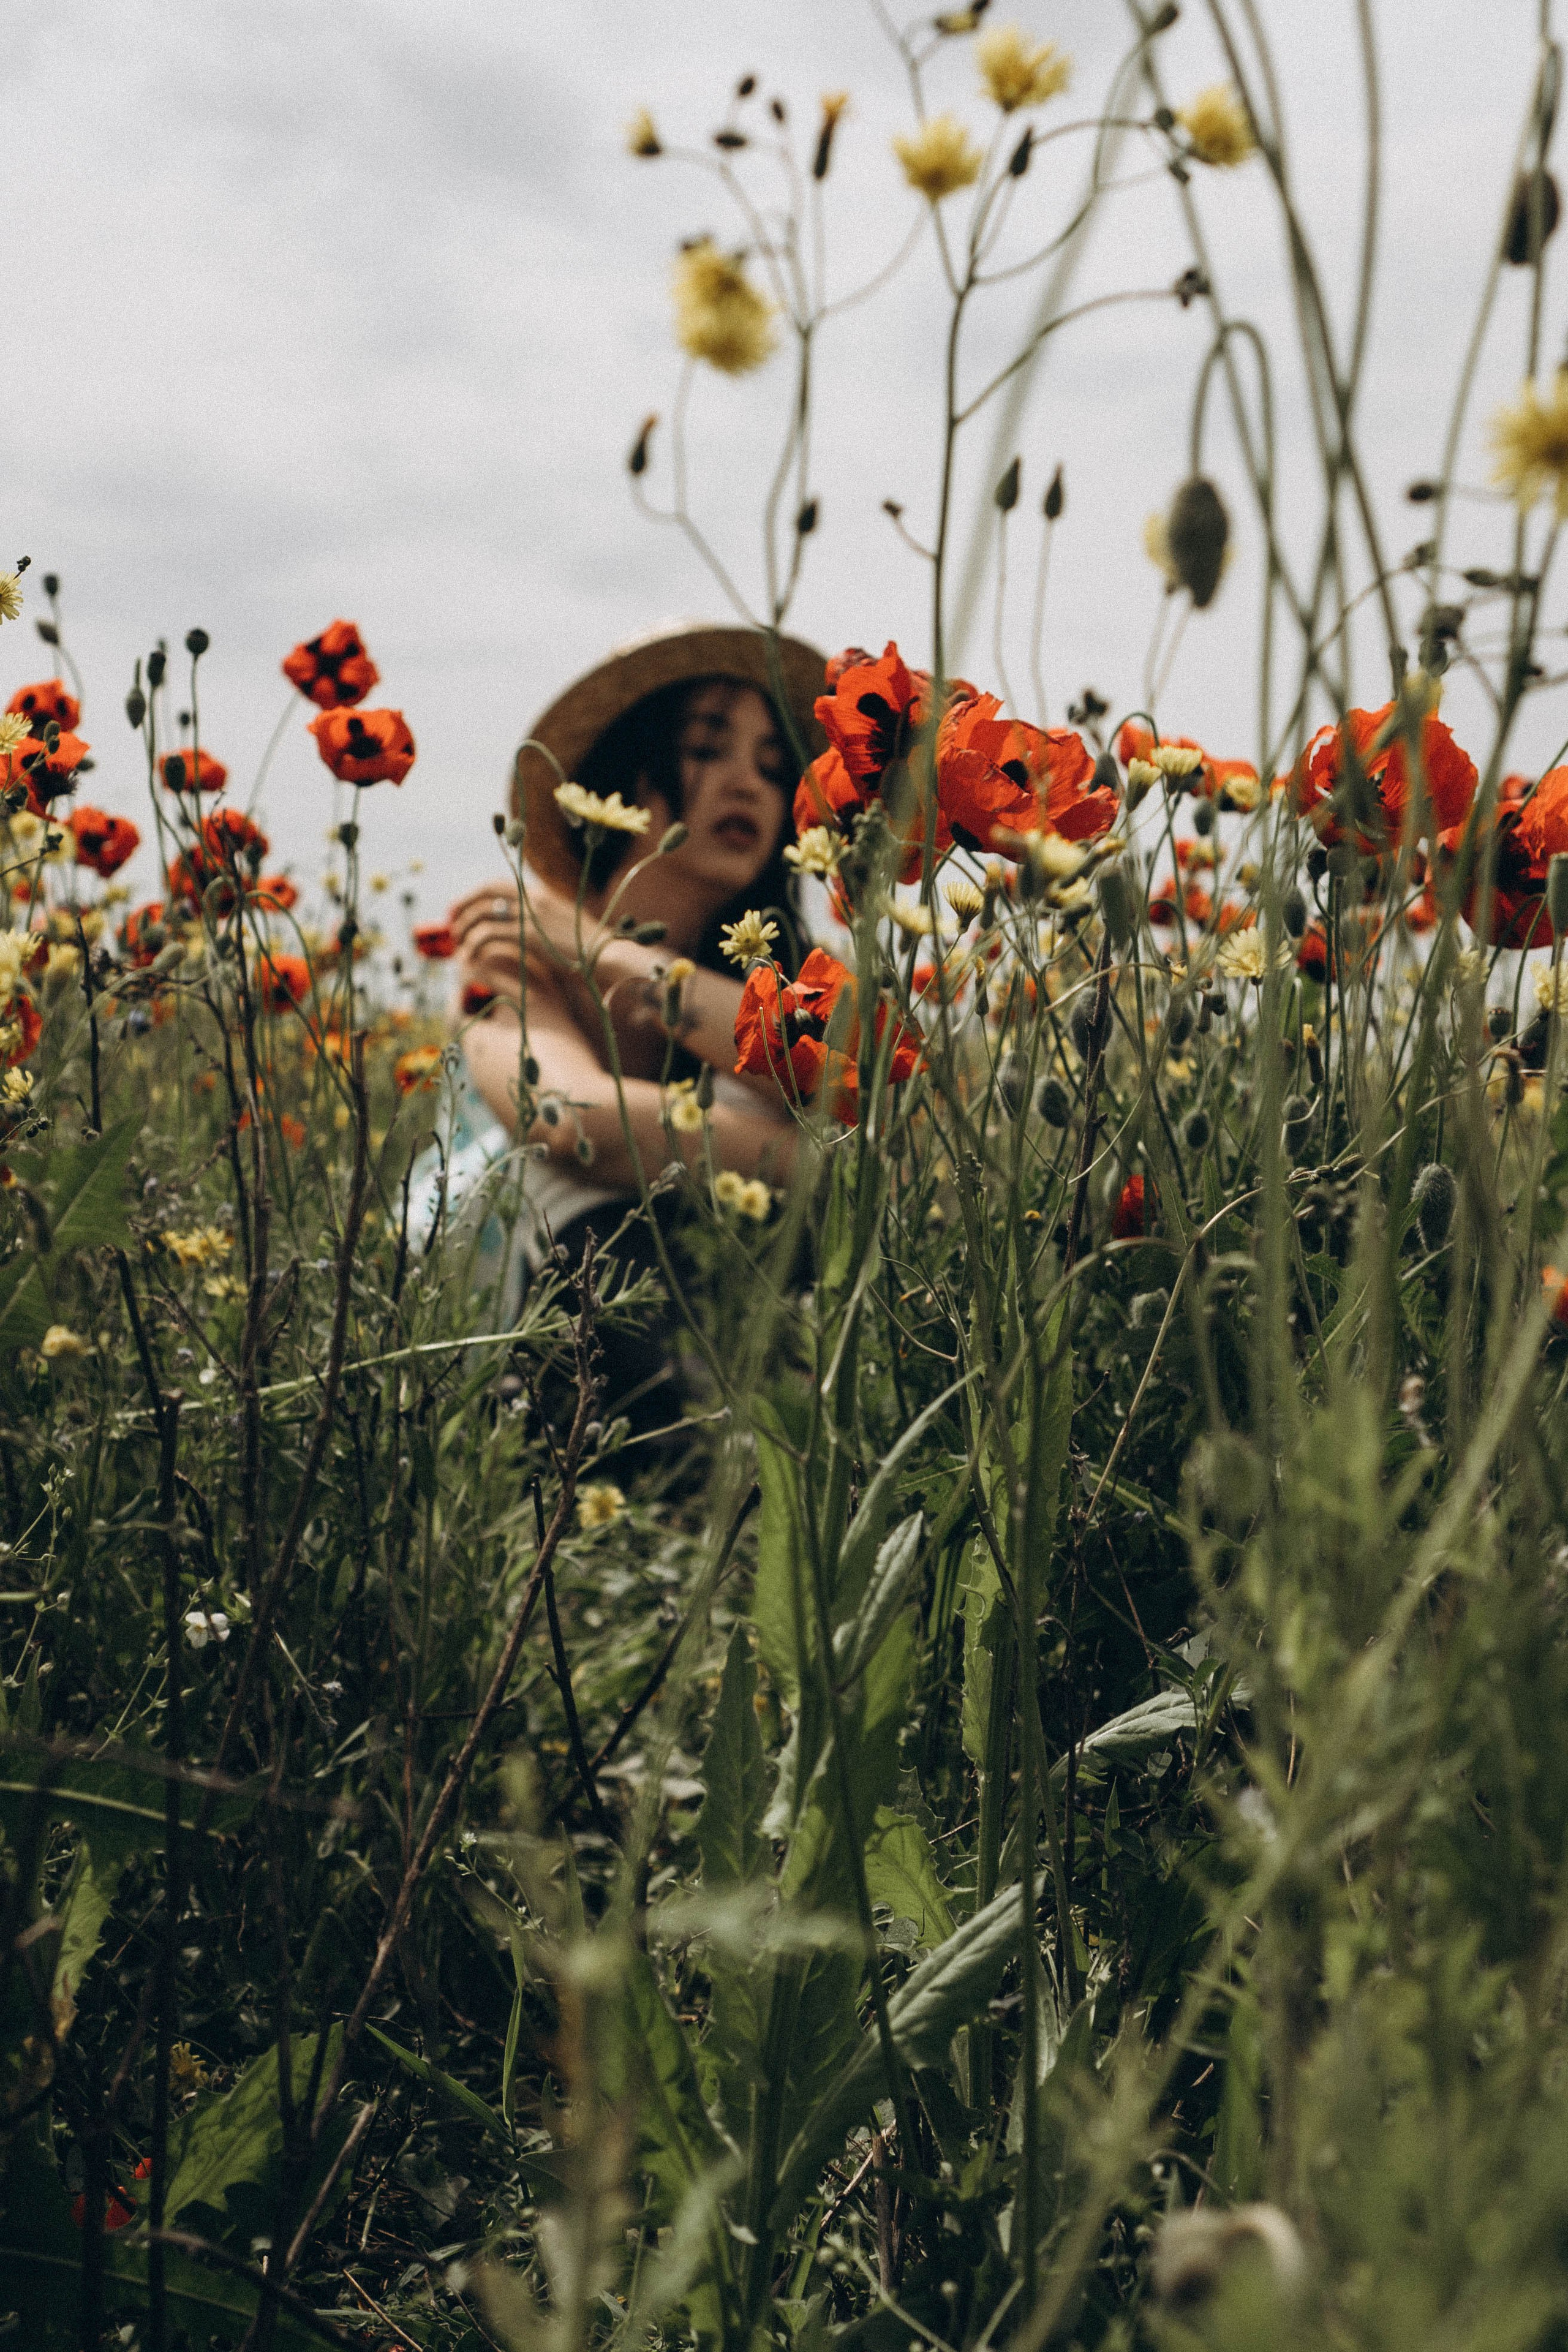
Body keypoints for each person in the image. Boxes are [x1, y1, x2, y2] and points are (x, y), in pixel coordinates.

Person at [418, 622, 827, 1430]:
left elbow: (849, 1079)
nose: (749, 784)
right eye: (710, 747)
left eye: (774, 766)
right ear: (628, 775)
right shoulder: (520, 965)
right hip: (508, 1376)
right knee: (562, 1185)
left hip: (742, 1339)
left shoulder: (779, 984)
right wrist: (807, 1163)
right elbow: (576, 1127)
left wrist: (609, 955)